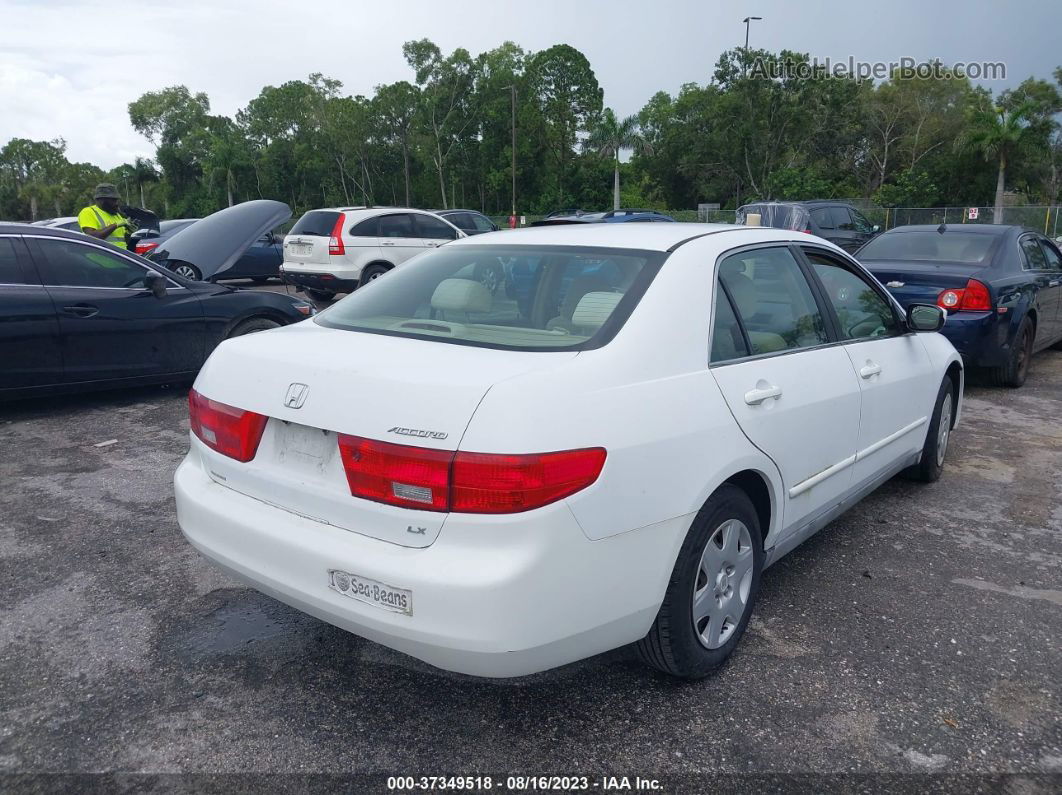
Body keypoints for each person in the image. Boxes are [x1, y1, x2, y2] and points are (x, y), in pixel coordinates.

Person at [78, 184, 137, 249]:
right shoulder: (88, 212)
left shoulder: (116, 215)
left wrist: (129, 232)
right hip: (99, 257)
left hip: (118, 256)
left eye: (117, 200)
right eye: (113, 200)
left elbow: (123, 241)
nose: (116, 203)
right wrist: (115, 225)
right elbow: (92, 237)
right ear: (102, 200)